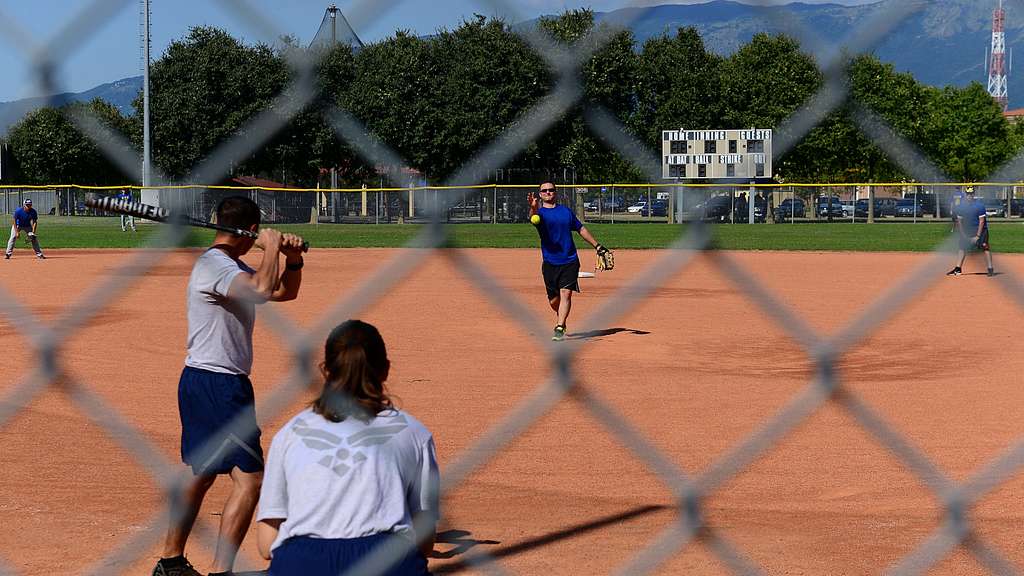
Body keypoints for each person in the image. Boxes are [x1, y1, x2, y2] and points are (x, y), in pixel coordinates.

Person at [152, 196, 306, 576]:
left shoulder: (228, 266)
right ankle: (222, 571)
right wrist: (271, 246)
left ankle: (170, 562)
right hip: (219, 385)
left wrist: (294, 259)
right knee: (250, 479)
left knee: (201, 472)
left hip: (205, 380)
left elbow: (284, 291)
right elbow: (258, 289)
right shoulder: (215, 265)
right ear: (250, 231)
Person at [256, 320, 439, 576]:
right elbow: (425, 541)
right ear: (385, 370)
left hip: (304, 561)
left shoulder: (289, 434)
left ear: (326, 371)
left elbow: (266, 544)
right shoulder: (414, 432)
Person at [528, 182, 608, 341]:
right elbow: (533, 219)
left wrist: (597, 246)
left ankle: (560, 326)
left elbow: (581, 229)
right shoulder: (540, 213)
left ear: (555, 192)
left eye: (551, 190)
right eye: (544, 190)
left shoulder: (566, 212)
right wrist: (533, 207)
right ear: (540, 194)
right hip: (550, 262)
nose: (548, 192)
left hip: (570, 260)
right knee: (554, 301)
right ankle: (561, 315)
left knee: (566, 293)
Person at [947, 186, 994, 277]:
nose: (970, 196)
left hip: (981, 229)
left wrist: (977, 236)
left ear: (974, 194)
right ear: (965, 195)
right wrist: (963, 234)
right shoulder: (961, 207)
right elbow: (959, 221)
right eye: (968, 194)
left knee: (985, 246)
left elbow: (981, 221)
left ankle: (990, 268)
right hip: (968, 229)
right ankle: (958, 269)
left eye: (971, 194)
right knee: (962, 248)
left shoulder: (979, 206)